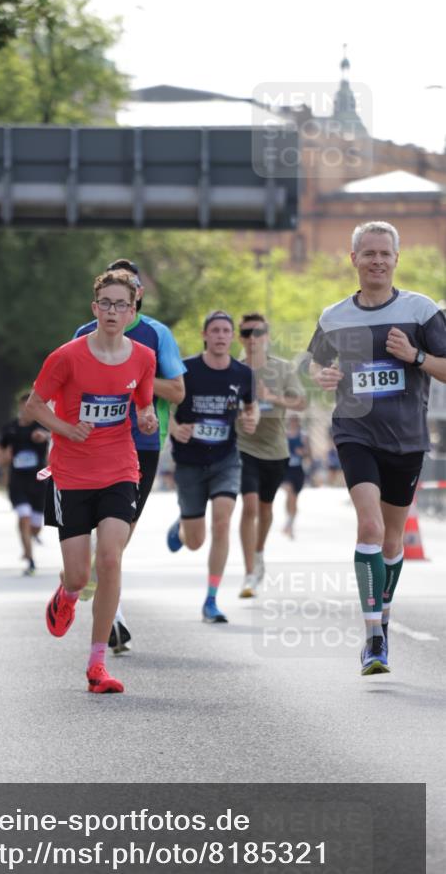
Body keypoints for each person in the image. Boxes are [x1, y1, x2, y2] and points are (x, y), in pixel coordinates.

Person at [307, 221, 446, 676]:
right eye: (368, 253)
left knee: (391, 539)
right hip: (355, 431)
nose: (377, 261)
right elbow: (315, 365)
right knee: (368, 526)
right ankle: (373, 638)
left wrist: (417, 357)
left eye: (385, 253)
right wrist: (322, 375)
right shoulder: (333, 316)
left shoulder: (421, 311)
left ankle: (382, 615)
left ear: (396, 259)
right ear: (354, 259)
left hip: (406, 440)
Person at [25, 269, 157, 694]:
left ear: (133, 310)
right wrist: (64, 428)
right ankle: (65, 595)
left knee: (112, 559)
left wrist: (148, 417)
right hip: (71, 474)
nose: (113, 311)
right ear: (94, 308)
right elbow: (34, 406)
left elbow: (143, 405)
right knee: (80, 576)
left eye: (122, 304)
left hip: (120, 468)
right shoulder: (66, 356)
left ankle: (97, 664)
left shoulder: (143, 358)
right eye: (106, 304)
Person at [74, 257, 185, 652]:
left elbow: (176, 392)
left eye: (131, 290)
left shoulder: (157, 335)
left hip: (140, 446)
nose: (119, 303)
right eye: (111, 297)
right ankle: (113, 619)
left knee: (117, 540)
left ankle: (103, 599)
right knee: (103, 542)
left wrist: (132, 376)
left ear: (137, 297)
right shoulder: (84, 333)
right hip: (90, 444)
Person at [167, 310, 258, 622]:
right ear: (205, 335)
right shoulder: (186, 369)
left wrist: (251, 419)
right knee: (195, 542)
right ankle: (182, 527)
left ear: (232, 337)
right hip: (189, 462)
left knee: (221, 521)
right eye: (215, 331)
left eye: (225, 331)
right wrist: (174, 428)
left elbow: (251, 407)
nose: (220, 336)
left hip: (225, 460)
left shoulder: (242, 374)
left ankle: (211, 599)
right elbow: (167, 403)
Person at [236, 313, 307, 597]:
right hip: (243, 446)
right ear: (241, 337)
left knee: (265, 510)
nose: (253, 338)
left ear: (267, 336)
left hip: (275, 450)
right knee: (250, 507)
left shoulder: (283, 368)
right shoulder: (234, 368)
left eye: (259, 332)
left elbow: (301, 402)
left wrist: (271, 397)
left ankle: (259, 552)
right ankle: (249, 571)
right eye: (247, 332)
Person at [0, 392, 50, 576]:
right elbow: (0, 451)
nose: (27, 409)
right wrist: (3, 459)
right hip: (17, 481)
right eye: (24, 406)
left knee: (35, 525)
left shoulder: (43, 425)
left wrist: (43, 437)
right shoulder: (10, 428)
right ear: (20, 407)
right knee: (24, 517)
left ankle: (31, 537)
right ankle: (30, 560)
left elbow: (52, 440)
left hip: (38, 482)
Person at [282, 415, 310, 539]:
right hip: (286, 469)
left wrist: (303, 452)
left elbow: (309, 454)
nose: (293, 423)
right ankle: (289, 523)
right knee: (289, 493)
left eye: (295, 421)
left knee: (294, 498)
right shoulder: (284, 435)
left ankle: (290, 524)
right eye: (291, 421)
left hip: (298, 470)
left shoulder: (303, 436)